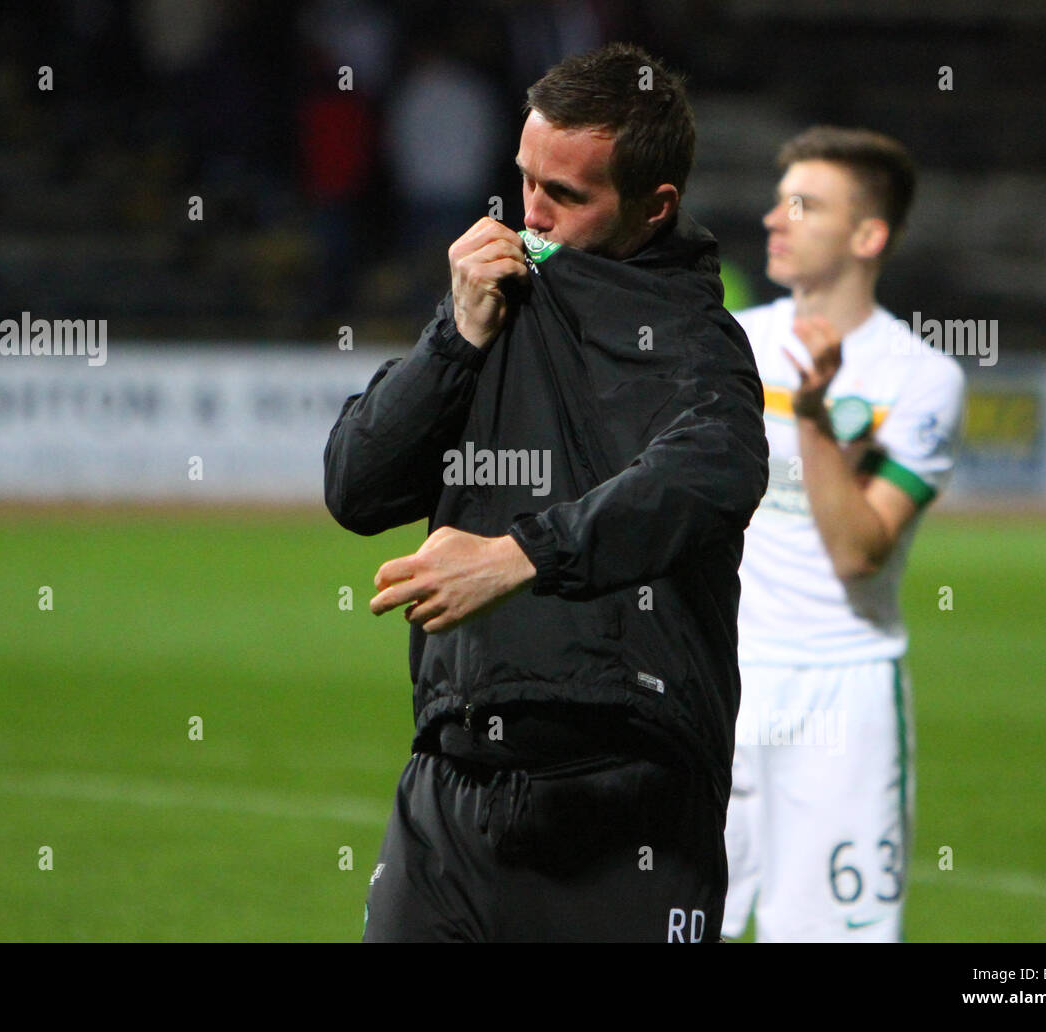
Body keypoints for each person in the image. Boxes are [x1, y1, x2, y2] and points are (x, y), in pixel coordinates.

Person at [324, 42, 768, 943]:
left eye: (564, 196)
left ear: (654, 206)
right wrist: (455, 339)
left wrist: (519, 554)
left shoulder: (695, 344)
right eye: (523, 180)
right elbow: (355, 486)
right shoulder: (493, 301)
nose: (530, 212)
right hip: (452, 789)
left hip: (626, 802)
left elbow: (709, 470)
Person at [720, 127, 966, 942]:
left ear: (869, 236)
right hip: (712, 681)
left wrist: (818, 422)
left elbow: (860, 550)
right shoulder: (730, 346)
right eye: (778, 199)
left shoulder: (920, 378)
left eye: (804, 205)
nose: (773, 219)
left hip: (840, 694)